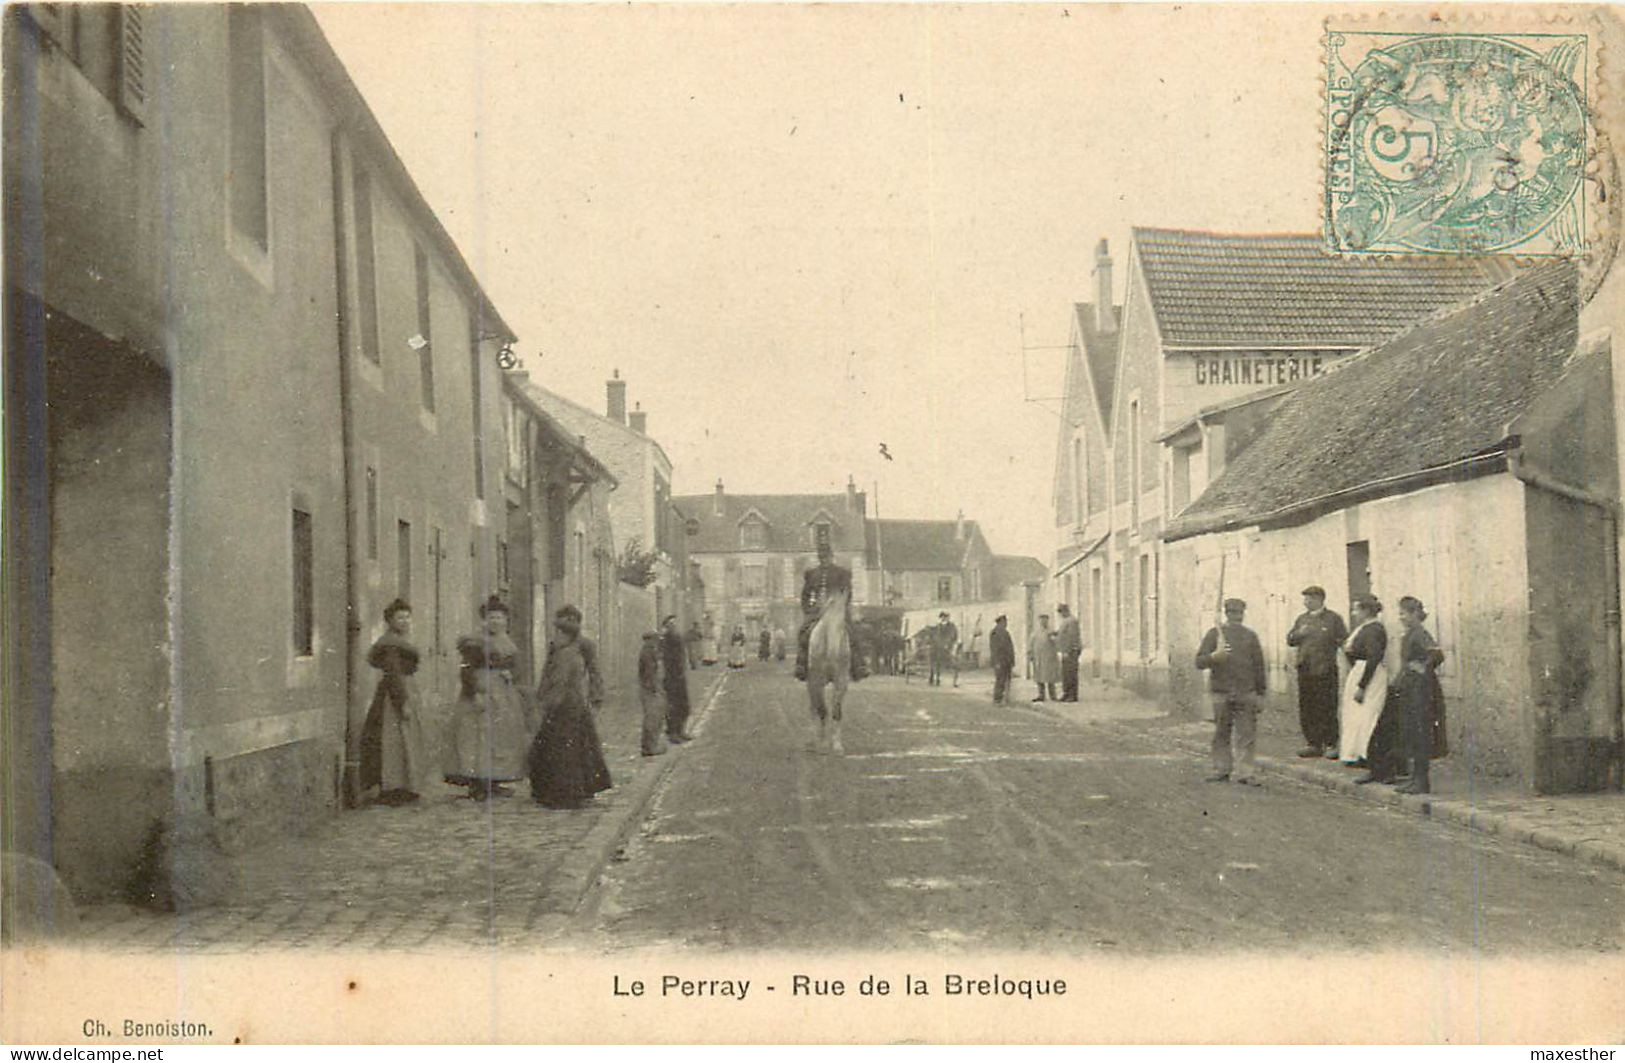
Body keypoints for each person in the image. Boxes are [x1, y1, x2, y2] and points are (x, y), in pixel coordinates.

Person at [528, 613, 612, 809]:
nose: (556, 635)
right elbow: (548, 677)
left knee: (565, 749)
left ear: (565, 634)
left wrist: (546, 703)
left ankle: (564, 792)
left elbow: (561, 682)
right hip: (571, 704)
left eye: (559, 632)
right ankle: (575, 789)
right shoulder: (561, 650)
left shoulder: (569, 653)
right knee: (572, 747)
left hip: (565, 706)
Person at [443, 630, 530, 802]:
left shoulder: (508, 644)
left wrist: (509, 674)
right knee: (476, 740)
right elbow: (466, 670)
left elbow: (516, 668)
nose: (495, 621)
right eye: (491, 617)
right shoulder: (475, 644)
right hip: (479, 696)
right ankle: (477, 784)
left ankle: (493, 782)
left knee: (496, 740)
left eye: (499, 617)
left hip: (500, 698)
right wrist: (475, 693)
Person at [359, 598, 428, 806]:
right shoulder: (390, 645)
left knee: (404, 739)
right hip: (393, 695)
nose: (405, 621)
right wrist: (402, 702)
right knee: (392, 741)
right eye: (400, 617)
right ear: (390, 621)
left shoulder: (400, 642)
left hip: (406, 689)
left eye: (407, 617)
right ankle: (391, 787)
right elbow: (393, 674)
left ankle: (404, 785)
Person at [1195, 598, 1267, 785]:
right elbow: (1199, 662)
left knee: (1246, 734)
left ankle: (1245, 772)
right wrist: (1213, 657)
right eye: (1233, 613)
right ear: (1226, 614)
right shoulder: (1214, 635)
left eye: (1240, 613)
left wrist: (1260, 694)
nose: (1237, 617)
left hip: (1246, 691)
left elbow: (1259, 666)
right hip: (1221, 691)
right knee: (1221, 733)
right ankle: (1221, 769)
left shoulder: (1250, 636)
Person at [1390, 596, 1448, 794]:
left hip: (1421, 691)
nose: (1401, 618)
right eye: (1400, 614)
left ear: (1415, 614)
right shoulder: (1409, 634)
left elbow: (1437, 654)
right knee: (1412, 733)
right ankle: (1415, 779)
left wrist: (1423, 667)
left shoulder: (1420, 633)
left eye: (1404, 614)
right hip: (1410, 689)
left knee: (1420, 732)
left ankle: (1422, 781)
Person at [1286, 584, 1348, 759]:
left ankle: (1330, 743)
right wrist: (1300, 633)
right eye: (1305, 598)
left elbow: (1343, 641)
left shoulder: (1333, 619)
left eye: (1309, 598)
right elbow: (1290, 640)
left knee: (1327, 706)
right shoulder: (1301, 620)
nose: (1306, 601)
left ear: (1320, 599)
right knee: (1307, 706)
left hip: (1326, 669)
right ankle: (1313, 743)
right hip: (1305, 669)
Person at [795, 538, 865, 682]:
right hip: (816, 612)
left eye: (826, 556)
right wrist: (809, 609)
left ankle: (858, 666)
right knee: (803, 632)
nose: (824, 559)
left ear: (831, 556)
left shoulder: (842, 573)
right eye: (821, 557)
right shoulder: (811, 574)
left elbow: (847, 592)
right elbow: (805, 595)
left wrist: (839, 605)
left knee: (853, 632)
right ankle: (801, 665)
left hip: (837, 611)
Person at [1338, 595, 1389, 766]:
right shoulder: (1364, 628)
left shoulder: (1374, 630)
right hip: (1360, 670)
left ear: (1366, 611)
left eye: (1356, 609)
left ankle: (1367, 754)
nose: (1354, 613)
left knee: (1368, 714)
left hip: (1370, 674)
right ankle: (1356, 752)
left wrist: (1362, 685)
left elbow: (1373, 657)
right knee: (1356, 714)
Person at [553, 604, 605, 710]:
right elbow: (548, 673)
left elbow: (594, 672)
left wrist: (596, 698)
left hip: (578, 700)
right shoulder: (555, 646)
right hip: (555, 700)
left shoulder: (585, 645)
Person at [661, 614, 693, 743]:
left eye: (674, 624)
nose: (674, 626)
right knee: (673, 705)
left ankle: (681, 730)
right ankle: (673, 733)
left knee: (683, 705)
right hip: (671, 677)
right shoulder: (667, 640)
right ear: (667, 626)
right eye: (671, 624)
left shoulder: (676, 638)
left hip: (679, 676)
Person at [638, 631, 666, 757]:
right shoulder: (648, 653)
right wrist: (655, 688)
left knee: (655, 717)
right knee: (652, 717)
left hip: (650, 687)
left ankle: (650, 745)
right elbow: (649, 673)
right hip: (650, 689)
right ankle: (650, 747)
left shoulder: (648, 651)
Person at [1029, 614, 1060, 702]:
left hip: (1049, 658)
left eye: (1045, 620)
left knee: (1050, 677)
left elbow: (1057, 644)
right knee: (1039, 677)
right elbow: (1031, 645)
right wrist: (1030, 655)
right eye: (1042, 620)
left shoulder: (1051, 632)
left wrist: (1053, 638)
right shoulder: (1035, 633)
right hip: (1038, 658)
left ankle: (1053, 695)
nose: (1044, 622)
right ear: (1039, 622)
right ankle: (1041, 695)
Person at [1056, 604, 1083, 702]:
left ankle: (1072, 695)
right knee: (1065, 673)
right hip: (1065, 651)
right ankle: (1066, 693)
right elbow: (1062, 634)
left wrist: (1067, 650)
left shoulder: (1072, 621)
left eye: (1061, 612)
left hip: (1071, 651)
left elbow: (1071, 637)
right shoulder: (1065, 621)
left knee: (1071, 673)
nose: (1061, 614)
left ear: (1066, 611)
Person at [989, 614, 1016, 705]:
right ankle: (997, 699)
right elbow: (994, 649)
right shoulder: (995, 633)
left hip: (1007, 660)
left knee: (1007, 680)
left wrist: (1012, 660)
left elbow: (1009, 647)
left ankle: (1005, 699)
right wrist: (996, 662)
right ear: (1000, 622)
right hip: (1000, 661)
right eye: (1004, 622)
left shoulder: (1005, 632)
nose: (1006, 623)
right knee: (1000, 680)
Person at [929, 611, 958, 687]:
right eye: (942, 617)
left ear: (948, 618)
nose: (943, 618)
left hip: (947, 646)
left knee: (939, 654)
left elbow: (952, 636)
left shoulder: (952, 626)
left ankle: (937, 676)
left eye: (945, 617)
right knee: (932, 653)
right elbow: (935, 635)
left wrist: (946, 643)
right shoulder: (938, 626)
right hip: (938, 646)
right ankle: (932, 674)